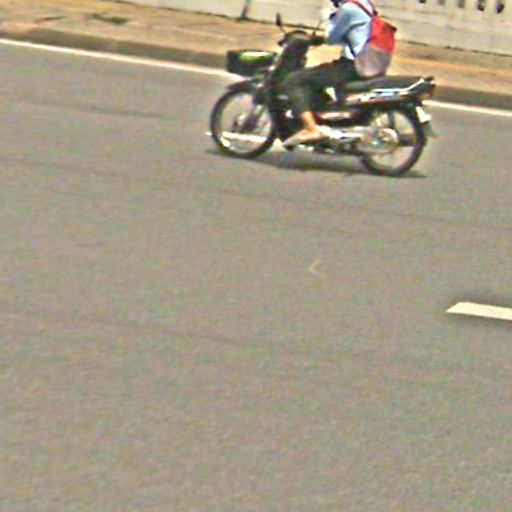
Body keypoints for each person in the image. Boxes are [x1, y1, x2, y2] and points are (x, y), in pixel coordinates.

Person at [283, 0, 374, 147]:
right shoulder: (365, 4)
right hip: (367, 64)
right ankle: (324, 118)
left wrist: (327, 20)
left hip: (351, 66)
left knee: (294, 80)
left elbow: (332, 36)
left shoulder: (349, 8)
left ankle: (311, 129)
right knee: (316, 77)